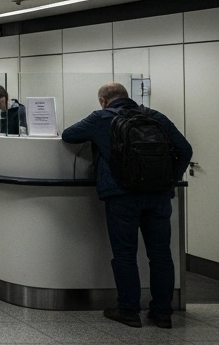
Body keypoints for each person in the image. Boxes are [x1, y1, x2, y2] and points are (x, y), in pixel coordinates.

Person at [62, 82, 192, 329]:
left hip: (121, 195)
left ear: (103, 100)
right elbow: (185, 149)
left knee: (124, 254)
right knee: (161, 255)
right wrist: (169, 180)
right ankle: (163, 313)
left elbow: (69, 135)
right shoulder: (155, 116)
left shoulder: (101, 117)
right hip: (158, 196)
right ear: (127, 97)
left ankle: (129, 310)